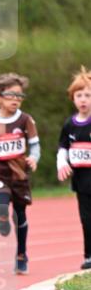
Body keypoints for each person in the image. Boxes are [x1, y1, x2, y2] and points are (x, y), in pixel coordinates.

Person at [0, 72, 40, 275]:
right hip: (0, 174)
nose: (16, 100)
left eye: (20, 96)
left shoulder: (25, 120)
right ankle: (2, 217)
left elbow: (35, 145)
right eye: (11, 95)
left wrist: (34, 158)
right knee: (0, 204)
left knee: (20, 215)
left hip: (20, 176)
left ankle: (21, 255)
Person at [56, 66, 91, 270]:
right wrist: (62, 163)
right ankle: (89, 256)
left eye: (88, 95)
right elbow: (63, 147)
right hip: (81, 182)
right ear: (73, 98)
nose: (83, 100)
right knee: (86, 220)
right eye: (79, 96)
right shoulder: (69, 124)